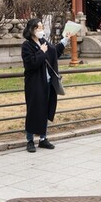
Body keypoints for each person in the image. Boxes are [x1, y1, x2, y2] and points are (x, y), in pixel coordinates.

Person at [21, 18, 70, 153]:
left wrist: (65, 40)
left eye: (42, 27)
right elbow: (31, 64)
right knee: (33, 110)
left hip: (47, 83)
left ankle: (43, 138)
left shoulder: (43, 42)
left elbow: (53, 52)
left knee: (45, 108)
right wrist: (41, 52)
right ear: (32, 30)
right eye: (38, 28)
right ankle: (30, 140)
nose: (41, 30)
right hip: (34, 84)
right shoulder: (27, 45)